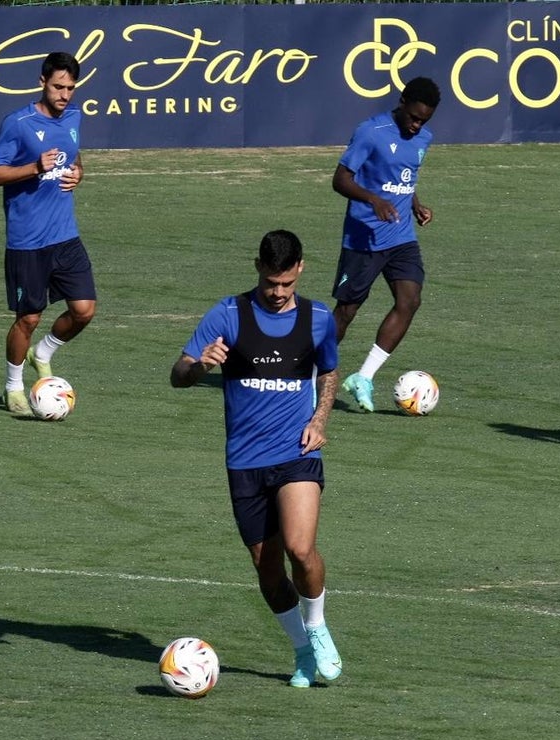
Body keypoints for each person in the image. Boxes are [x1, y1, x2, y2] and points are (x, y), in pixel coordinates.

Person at [171, 229, 342, 688]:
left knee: (300, 549)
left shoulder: (317, 319)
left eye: (286, 284)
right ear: (257, 268)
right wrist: (200, 365)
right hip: (245, 461)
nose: (278, 293)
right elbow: (177, 374)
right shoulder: (228, 314)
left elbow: (328, 372)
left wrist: (320, 420)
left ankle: (319, 628)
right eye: (271, 283)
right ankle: (303, 652)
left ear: (300, 269)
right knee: (267, 569)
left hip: (295, 453)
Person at [0, 51, 96, 415]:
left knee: (84, 310)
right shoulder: (17, 123)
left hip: (65, 234)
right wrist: (34, 166)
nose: (64, 94)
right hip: (27, 241)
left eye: (70, 88)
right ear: (42, 83)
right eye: (58, 87)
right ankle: (13, 386)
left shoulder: (75, 118)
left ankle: (44, 352)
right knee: (28, 318)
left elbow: (74, 157)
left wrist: (79, 173)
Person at [331, 76, 441, 412]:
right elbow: (340, 180)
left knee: (410, 300)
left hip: (401, 236)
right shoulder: (371, 132)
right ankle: (308, 375)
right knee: (347, 311)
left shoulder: (424, 138)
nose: (416, 125)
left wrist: (416, 204)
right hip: (364, 236)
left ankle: (363, 377)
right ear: (402, 100)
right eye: (413, 117)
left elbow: (404, 177)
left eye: (424, 120)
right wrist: (372, 199)